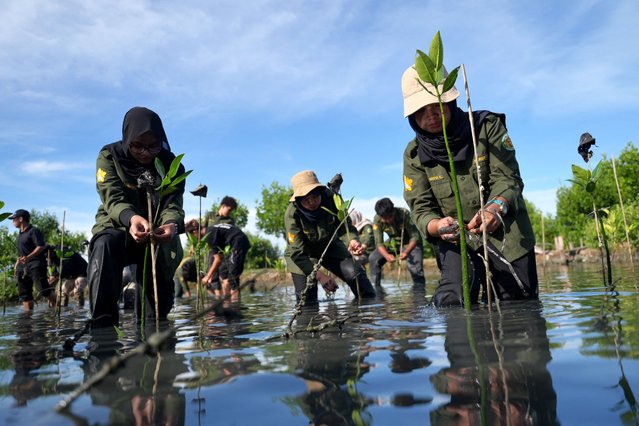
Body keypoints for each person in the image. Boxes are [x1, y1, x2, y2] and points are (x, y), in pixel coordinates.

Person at [401, 65, 538, 306]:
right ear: (412, 117)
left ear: (451, 102)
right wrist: (437, 226)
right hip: (455, 242)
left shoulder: (487, 127)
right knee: (453, 299)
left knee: (519, 307)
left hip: (507, 235)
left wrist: (495, 208)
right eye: (421, 111)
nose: (431, 115)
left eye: (437, 106)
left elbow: (509, 179)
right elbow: (421, 209)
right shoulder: (413, 155)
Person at [87, 106, 185, 327]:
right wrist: (131, 218)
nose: (145, 152)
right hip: (119, 227)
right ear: (127, 139)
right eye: (137, 145)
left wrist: (170, 225)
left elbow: (174, 205)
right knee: (105, 244)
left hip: (157, 235)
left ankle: (153, 340)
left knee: (154, 317)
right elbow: (111, 198)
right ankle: (102, 332)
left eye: (152, 146)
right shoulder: (109, 157)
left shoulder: (172, 166)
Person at [284, 170, 376, 304]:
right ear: (298, 199)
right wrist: (321, 277)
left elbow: (346, 227)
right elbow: (297, 254)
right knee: (306, 298)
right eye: (305, 199)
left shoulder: (332, 198)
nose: (311, 202)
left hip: (330, 247)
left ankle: (364, 317)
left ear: (321, 191)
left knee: (357, 276)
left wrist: (352, 241)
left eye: (315, 197)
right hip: (303, 255)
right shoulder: (292, 214)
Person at [186, 220, 250, 301]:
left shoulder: (210, 235)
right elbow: (219, 257)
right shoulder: (210, 231)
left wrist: (207, 277)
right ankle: (227, 301)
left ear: (195, 232)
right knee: (223, 273)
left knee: (233, 278)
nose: (194, 239)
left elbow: (218, 260)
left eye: (191, 236)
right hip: (229, 244)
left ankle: (235, 306)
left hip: (238, 242)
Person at [369, 198, 426, 289]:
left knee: (415, 267)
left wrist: (406, 252)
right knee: (373, 258)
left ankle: (419, 292)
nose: (388, 221)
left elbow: (415, 237)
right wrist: (386, 255)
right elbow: (379, 243)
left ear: (393, 211)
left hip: (410, 243)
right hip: (393, 243)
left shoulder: (404, 214)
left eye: (389, 217)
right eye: (384, 219)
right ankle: (376, 289)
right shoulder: (377, 219)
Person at [10, 209, 57, 310]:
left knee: (43, 290)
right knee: (24, 294)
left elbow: (40, 246)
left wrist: (29, 257)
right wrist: (17, 265)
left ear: (21, 219)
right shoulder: (20, 235)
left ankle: (58, 307)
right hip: (22, 267)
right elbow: (22, 253)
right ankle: (27, 319)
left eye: (14, 219)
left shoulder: (33, 231)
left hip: (35, 264)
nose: (12, 221)